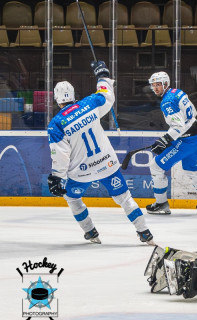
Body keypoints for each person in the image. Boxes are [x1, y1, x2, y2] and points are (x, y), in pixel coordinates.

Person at [47, 61, 154, 245]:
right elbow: (106, 95)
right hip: (107, 163)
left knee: (72, 198)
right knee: (124, 198)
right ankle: (144, 232)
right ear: (73, 95)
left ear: (57, 99)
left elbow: (61, 155)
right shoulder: (89, 103)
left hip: (81, 172)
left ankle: (91, 232)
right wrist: (102, 76)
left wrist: (57, 177)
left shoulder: (56, 123)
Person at [144, 71, 197, 215]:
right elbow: (193, 113)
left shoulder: (167, 102)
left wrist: (165, 139)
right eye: (154, 85)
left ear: (165, 84)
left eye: (158, 85)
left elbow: (178, 127)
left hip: (185, 141)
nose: (156, 88)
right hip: (196, 136)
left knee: (156, 167)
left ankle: (161, 203)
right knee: (191, 170)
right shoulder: (177, 92)